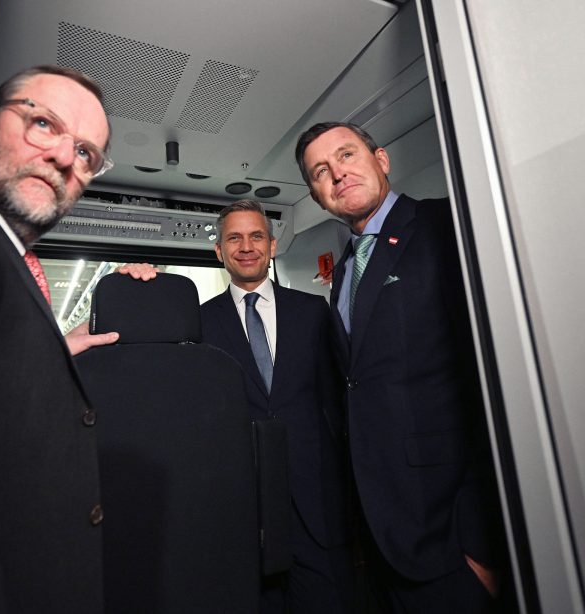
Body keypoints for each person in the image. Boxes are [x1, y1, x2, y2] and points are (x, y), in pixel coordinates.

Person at [0, 65, 151, 613]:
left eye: (85, 153)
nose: (62, 157)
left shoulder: (3, 258)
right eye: (42, 124)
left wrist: (53, 349)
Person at [295, 122, 509, 612]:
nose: (338, 174)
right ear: (316, 194)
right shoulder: (346, 266)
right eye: (321, 172)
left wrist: (483, 541)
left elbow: (488, 382)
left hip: (452, 537)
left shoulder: (443, 226)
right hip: (383, 534)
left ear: (382, 159)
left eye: (347, 155)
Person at [200, 199, 353, 613]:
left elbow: (338, 400)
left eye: (256, 236)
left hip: (316, 500)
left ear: (271, 246)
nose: (246, 246)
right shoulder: (197, 323)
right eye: (234, 237)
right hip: (243, 507)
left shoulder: (313, 312)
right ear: (219, 251)